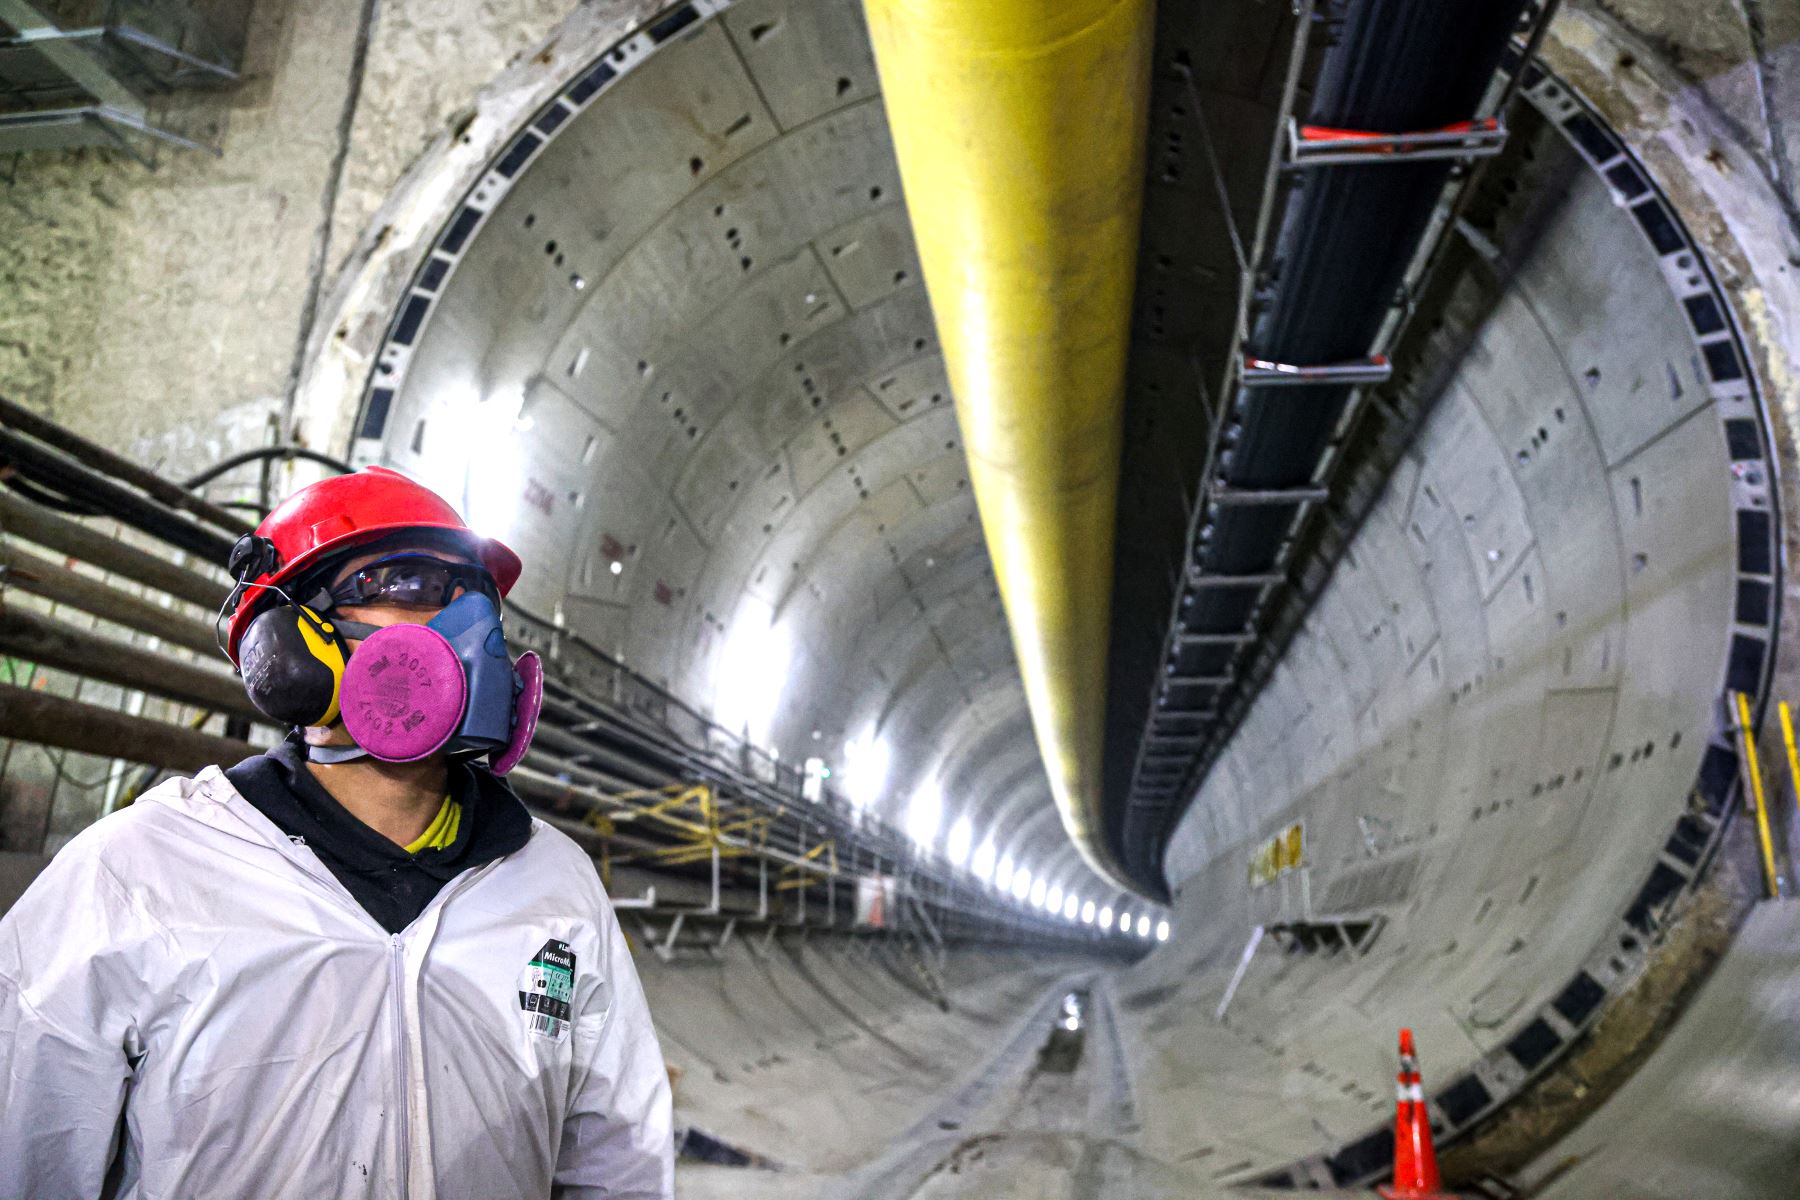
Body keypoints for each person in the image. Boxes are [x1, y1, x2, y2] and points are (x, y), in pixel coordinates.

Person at [0, 467, 673, 1199]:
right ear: (291, 646)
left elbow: (619, 1161)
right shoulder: (141, 872)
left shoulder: (557, 885)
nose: (472, 632)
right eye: (411, 584)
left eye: (477, 598)